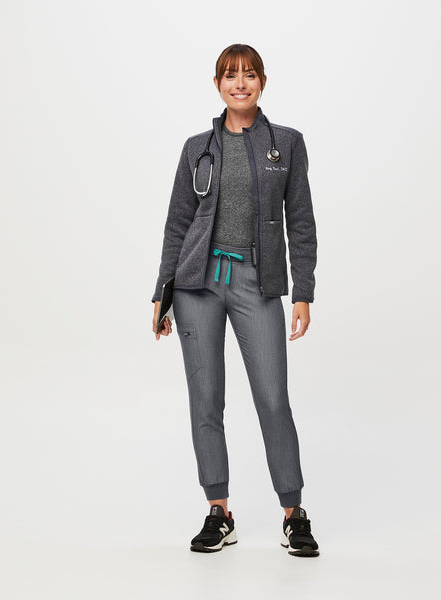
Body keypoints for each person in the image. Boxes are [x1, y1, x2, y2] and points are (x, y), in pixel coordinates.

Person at [151, 44, 319, 557]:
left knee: (272, 398)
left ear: (262, 82)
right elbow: (178, 222)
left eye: (248, 75)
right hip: (196, 283)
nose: (239, 83)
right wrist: (163, 293)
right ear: (217, 84)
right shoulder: (195, 148)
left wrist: (303, 292)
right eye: (230, 75)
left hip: (256, 280)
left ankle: (293, 513)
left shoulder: (285, 143)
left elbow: (301, 222)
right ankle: (219, 512)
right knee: (206, 400)